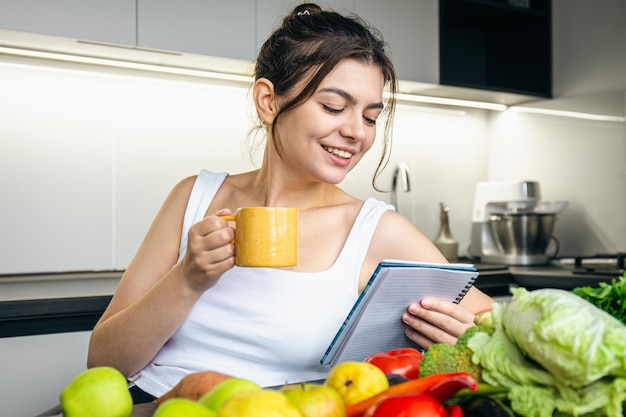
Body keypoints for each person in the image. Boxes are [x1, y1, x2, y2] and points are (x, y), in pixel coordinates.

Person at [87, 2, 494, 402]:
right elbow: (104, 363)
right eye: (334, 106)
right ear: (268, 101)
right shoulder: (194, 196)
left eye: (370, 117)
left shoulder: (375, 231)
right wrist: (189, 277)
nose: (358, 132)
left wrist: (469, 338)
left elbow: (492, 324)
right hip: (158, 407)